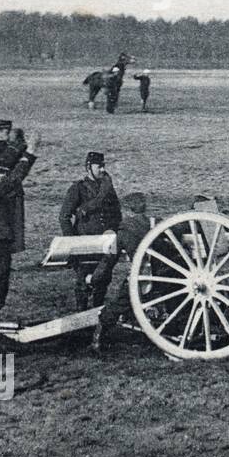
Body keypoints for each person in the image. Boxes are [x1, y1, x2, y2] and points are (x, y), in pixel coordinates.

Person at [0, 132, 39, 352]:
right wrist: (29, 154)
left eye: (3, 172)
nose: (1, 176)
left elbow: (10, 175)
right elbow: (14, 179)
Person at [59, 151, 122, 312]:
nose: (102, 169)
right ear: (88, 168)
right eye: (98, 166)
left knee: (102, 283)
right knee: (83, 285)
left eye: (103, 166)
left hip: (104, 246)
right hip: (84, 246)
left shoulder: (108, 189)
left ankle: (97, 319)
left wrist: (112, 232)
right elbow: (64, 217)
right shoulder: (78, 188)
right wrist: (72, 242)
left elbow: (117, 213)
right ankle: (81, 319)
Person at [89, 191, 150, 352]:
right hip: (162, 274)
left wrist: (94, 279)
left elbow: (109, 260)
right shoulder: (154, 223)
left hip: (140, 277)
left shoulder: (123, 232)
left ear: (128, 210)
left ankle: (98, 339)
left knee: (117, 304)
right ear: (143, 208)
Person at [0, 120, 28, 253]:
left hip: (8, 190)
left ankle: (6, 256)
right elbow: (2, 166)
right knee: (4, 226)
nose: (8, 136)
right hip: (3, 192)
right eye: (6, 132)